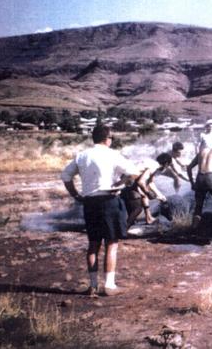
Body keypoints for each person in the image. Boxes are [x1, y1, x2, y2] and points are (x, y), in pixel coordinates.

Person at [61, 125, 140, 297]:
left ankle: (93, 286)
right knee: (111, 243)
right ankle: (109, 286)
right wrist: (122, 183)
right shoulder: (113, 154)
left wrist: (75, 194)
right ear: (108, 138)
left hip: (90, 202)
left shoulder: (82, 155)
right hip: (110, 200)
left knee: (93, 244)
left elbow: (65, 176)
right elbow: (134, 172)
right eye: (111, 137)